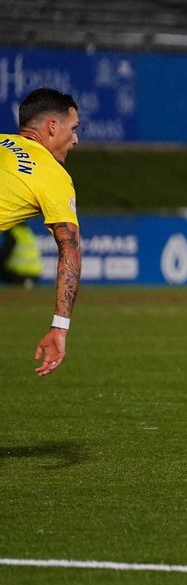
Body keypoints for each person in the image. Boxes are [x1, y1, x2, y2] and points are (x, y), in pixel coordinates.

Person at [0, 89, 82, 376]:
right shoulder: (52, 175)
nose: (75, 139)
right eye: (73, 129)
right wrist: (60, 326)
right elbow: (69, 249)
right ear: (52, 127)